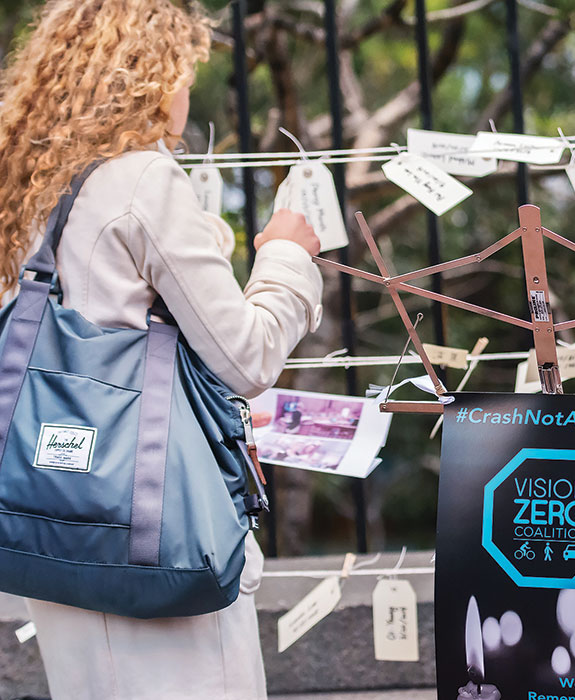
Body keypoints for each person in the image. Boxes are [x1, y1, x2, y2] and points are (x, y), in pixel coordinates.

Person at [0, 1, 323, 698]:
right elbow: (247, 358)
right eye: (182, 74)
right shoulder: (142, 178)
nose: (186, 93)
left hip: (52, 526)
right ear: (146, 75)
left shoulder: (30, 185)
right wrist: (286, 259)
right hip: (147, 531)